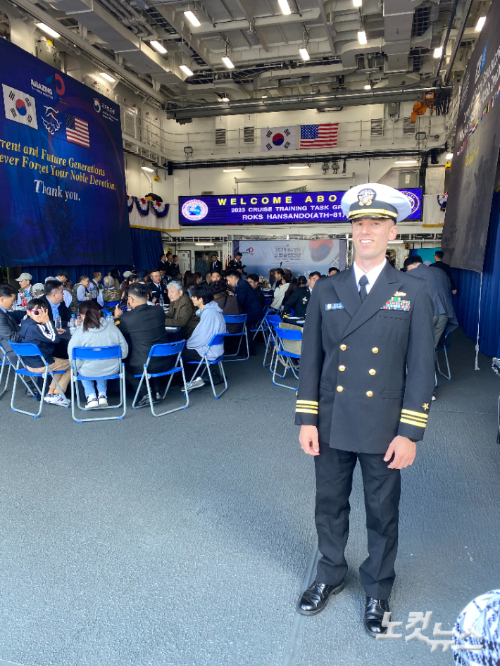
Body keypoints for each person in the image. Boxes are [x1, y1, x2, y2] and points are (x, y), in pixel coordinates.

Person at [295, 183, 435, 637]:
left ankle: (377, 586)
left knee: (382, 510)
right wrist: (307, 419)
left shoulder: (412, 290)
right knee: (329, 505)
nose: (367, 231)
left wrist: (409, 433)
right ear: (351, 232)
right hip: (333, 421)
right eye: (359, 224)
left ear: (392, 231)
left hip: (383, 426)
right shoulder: (328, 288)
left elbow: (421, 369)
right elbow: (312, 361)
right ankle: (330, 572)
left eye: (376, 223)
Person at [114, 282, 173, 407]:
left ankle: (145, 393)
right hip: (167, 361)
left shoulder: (126, 318)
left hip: (145, 364)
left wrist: (116, 318)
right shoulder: (159, 310)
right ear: (147, 297)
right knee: (153, 353)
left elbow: (118, 332)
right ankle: (157, 391)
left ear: (130, 299)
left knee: (124, 365)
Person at [68, 301, 128, 409]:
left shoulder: (79, 333)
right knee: (101, 361)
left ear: (81, 316)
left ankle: (91, 397)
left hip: (88, 370)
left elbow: (72, 359)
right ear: (100, 312)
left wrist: (81, 364)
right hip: (112, 369)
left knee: (86, 366)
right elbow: (124, 353)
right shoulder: (113, 328)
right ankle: (102, 395)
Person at [20, 298, 71, 406]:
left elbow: (40, 334)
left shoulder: (25, 323)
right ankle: (58, 394)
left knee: (60, 364)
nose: (40, 315)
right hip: (42, 364)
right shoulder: (37, 327)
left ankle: (50, 392)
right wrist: (47, 321)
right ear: (28, 312)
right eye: (36, 312)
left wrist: (52, 329)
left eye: (43, 312)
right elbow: (54, 339)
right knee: (73, 364)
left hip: (29, 364)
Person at [183, 284, 226, 391]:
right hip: (216, 348)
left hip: (209, 351)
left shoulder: (209, 313)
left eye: (193, 296)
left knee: (180, 353)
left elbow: (201, 338)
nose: (191, 298)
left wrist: (187, 344)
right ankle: (201, 376)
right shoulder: (213, 309)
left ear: (201, 299)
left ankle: (194, 380)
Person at [226, 269, 262, 354]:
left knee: (236, 324)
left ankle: (242, 349)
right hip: (251, 311)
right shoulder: (242, 284)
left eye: (228, 280)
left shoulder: (242, 285)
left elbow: (240, 302)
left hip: (252, 313)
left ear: (234, 278)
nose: (228, 283)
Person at [0, 283, 24, 365]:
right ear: (2, 299)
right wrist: (28, 332)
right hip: (12, 352)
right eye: (12, 300)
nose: (13, 303)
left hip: (16, 347)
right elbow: (12, 337)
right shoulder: (0, 316)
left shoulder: (4, 312)